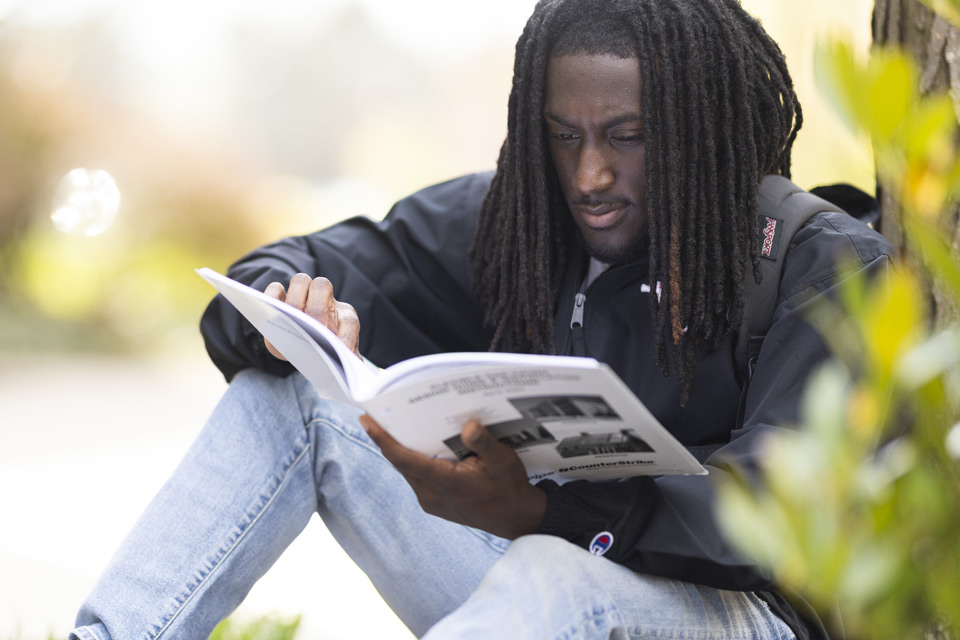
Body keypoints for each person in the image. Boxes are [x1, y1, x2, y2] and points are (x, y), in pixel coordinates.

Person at [71, 0, 893, 638]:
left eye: (629, 137)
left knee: (550, 572)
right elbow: (289, 263)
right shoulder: (520, 226)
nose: (590, 174)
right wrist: (287, 310)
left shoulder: (820, 265)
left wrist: (552, 514)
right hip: (532, 593)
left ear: (700, 127)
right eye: (563, 137)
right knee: (293, 388)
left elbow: (778, 523)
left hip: (737, 616)